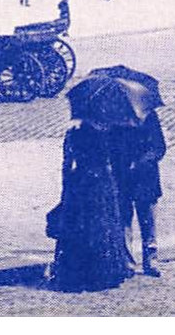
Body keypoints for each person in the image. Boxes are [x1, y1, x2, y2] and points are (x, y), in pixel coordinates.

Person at [48, 118, 130, 292]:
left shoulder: (74, 133)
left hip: (81, 182)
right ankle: (103, 274)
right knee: (102, 227)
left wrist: (67, 187)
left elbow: (67, 163)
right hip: (102, 184)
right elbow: (116, 159)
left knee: (79, 228)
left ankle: (78, 274)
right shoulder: (109, 132)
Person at [114, 109, 167, 277]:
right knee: (124, 222)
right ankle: (127, 263)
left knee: (148, 223)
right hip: (122, 178)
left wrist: (141, 161)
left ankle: (151, 261)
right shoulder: (114, 118)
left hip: (145, 179)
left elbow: (159, 147)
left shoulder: (148, 116)